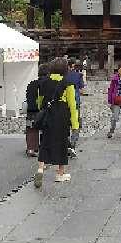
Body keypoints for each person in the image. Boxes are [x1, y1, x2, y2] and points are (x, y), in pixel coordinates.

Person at [34, 57, 79, 187]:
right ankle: (60, 173)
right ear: (65, 69)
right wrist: (75, 124)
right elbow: (72, 105)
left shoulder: (44, 82)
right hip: (62, 115)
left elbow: (39, 101)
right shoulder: (67, 83)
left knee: (45, 141)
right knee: (62, 143)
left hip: (48, 114)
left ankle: (40, 169)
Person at [25, 63, 48, 157]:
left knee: (31, 129)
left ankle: (31, 149)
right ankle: (44, 148)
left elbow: (27, 96)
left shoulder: (31, 84)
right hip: (43, 111)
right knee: (45, 129)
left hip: (31, 110)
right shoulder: (48, 83)